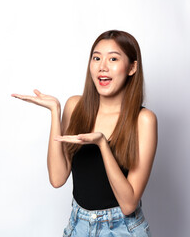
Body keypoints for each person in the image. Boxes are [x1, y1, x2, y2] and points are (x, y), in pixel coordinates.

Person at [12, 30, 157, 237]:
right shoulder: (76, 106)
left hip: (122, 229)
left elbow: (128, 204)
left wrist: (102, 145)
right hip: (78, 225)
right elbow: (57, 178)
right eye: (96, 58)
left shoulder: (143, 120)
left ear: (132, 67)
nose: (102, 67)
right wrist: (55, 111)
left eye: (113, 59)